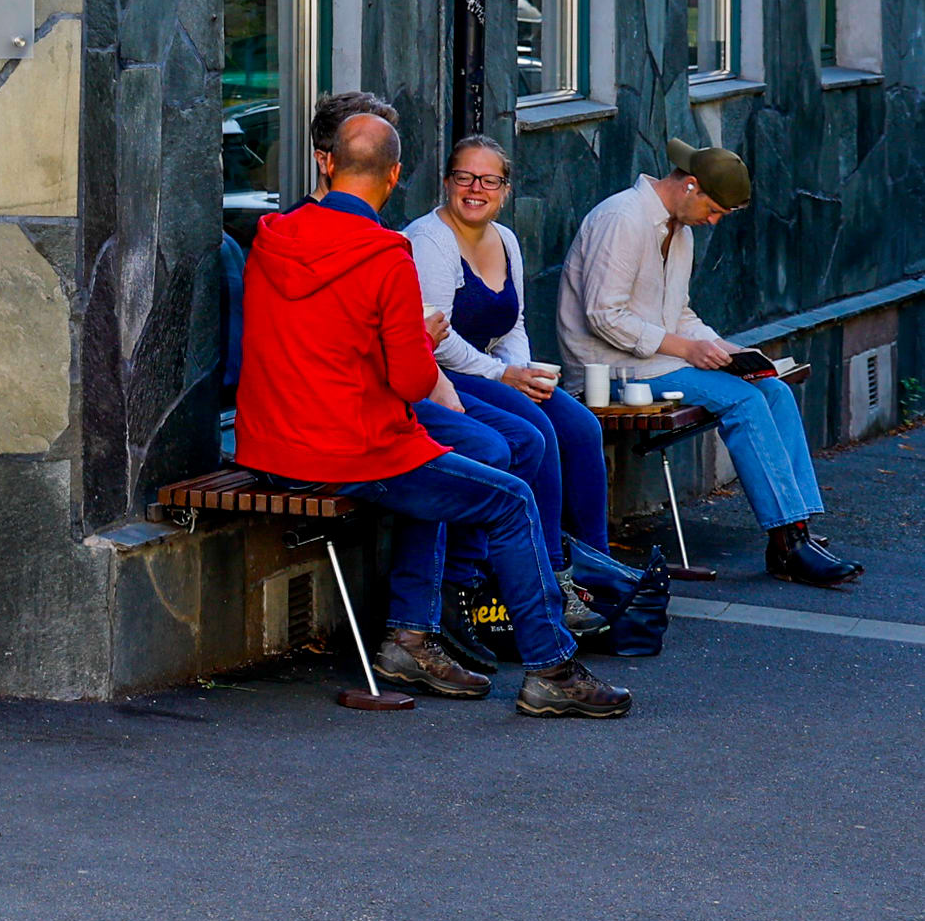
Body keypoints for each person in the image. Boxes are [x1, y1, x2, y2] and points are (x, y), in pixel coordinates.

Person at [234, 92, 628, 715]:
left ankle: (411, 636)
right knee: (511, 496)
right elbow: (416, 382)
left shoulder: (273, 236)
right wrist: (424, 336)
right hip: (350, 446)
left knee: (456, 452)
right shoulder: (386, 254)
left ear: (326, 165)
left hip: (267, 442)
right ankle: (550, 667)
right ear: (395, 176)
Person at [559, 144, 859, 588]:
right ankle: (788, 545)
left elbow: (679, 313)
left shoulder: (680, 231)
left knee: (772, 389)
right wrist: (688, 348)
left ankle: (796, 532)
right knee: (742, 401)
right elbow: (604, 315)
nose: (714, 220)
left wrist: (724, 350)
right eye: (714, 209)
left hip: (658, 364)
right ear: (690, 185)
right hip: (610, 372)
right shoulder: (621, 218)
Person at [405, 138, 635, 631]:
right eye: (465, 177)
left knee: (579, 427)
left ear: (505, 190)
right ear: (446, 182)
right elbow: (433, 337)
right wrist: (504, 376)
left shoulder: (505, 239)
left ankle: (594, 569)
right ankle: (548, 574)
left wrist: (522, 371)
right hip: (444, 376)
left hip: (491, 370)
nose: (476, 189)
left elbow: (515, 323)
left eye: (490, 180)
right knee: (537, 430)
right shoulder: (430, 240)